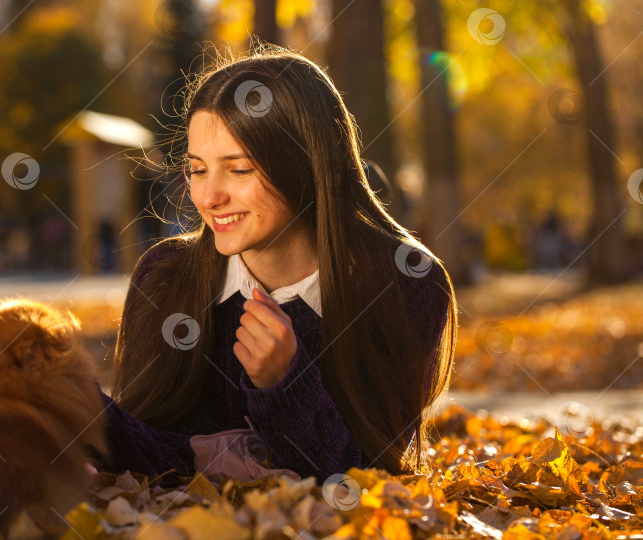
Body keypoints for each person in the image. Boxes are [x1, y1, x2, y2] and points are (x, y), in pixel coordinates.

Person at [93, 43, 457, 488]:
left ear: (304, 164)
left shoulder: (407, 284)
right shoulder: (165, 276)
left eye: (239, 169)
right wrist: (72, 400)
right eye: (198, 169)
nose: (208, 197)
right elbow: (142, 453)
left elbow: (368, 480)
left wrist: (285, 382)